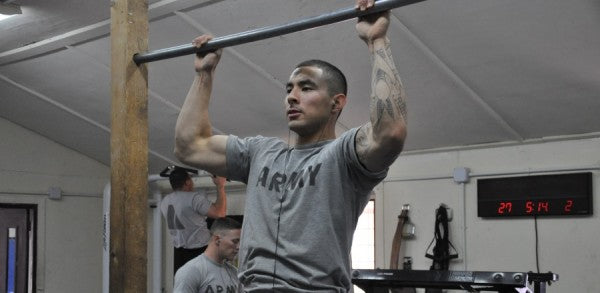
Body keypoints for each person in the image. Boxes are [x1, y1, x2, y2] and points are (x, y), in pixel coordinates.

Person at [174, 0, 407, 291]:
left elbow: (390, 133)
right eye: (289, 89)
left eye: (306, 87)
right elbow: (190, 146)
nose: (292, 97)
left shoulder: (343, 156)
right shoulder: (260, 153)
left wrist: (377, 40)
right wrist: (203, 75)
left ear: (337, 103)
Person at [160, 166, 228, 274]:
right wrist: (220, 185)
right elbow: (220, 213)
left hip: (179, 254)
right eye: (191, 180)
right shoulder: (193, 198)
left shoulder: (165, 201)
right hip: (198, 251)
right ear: (187, 182)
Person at [173, 217, 242, 293]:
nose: (238, 247)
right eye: (235, 241)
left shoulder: (234, 273)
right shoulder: (191, 271)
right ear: (217, 240)